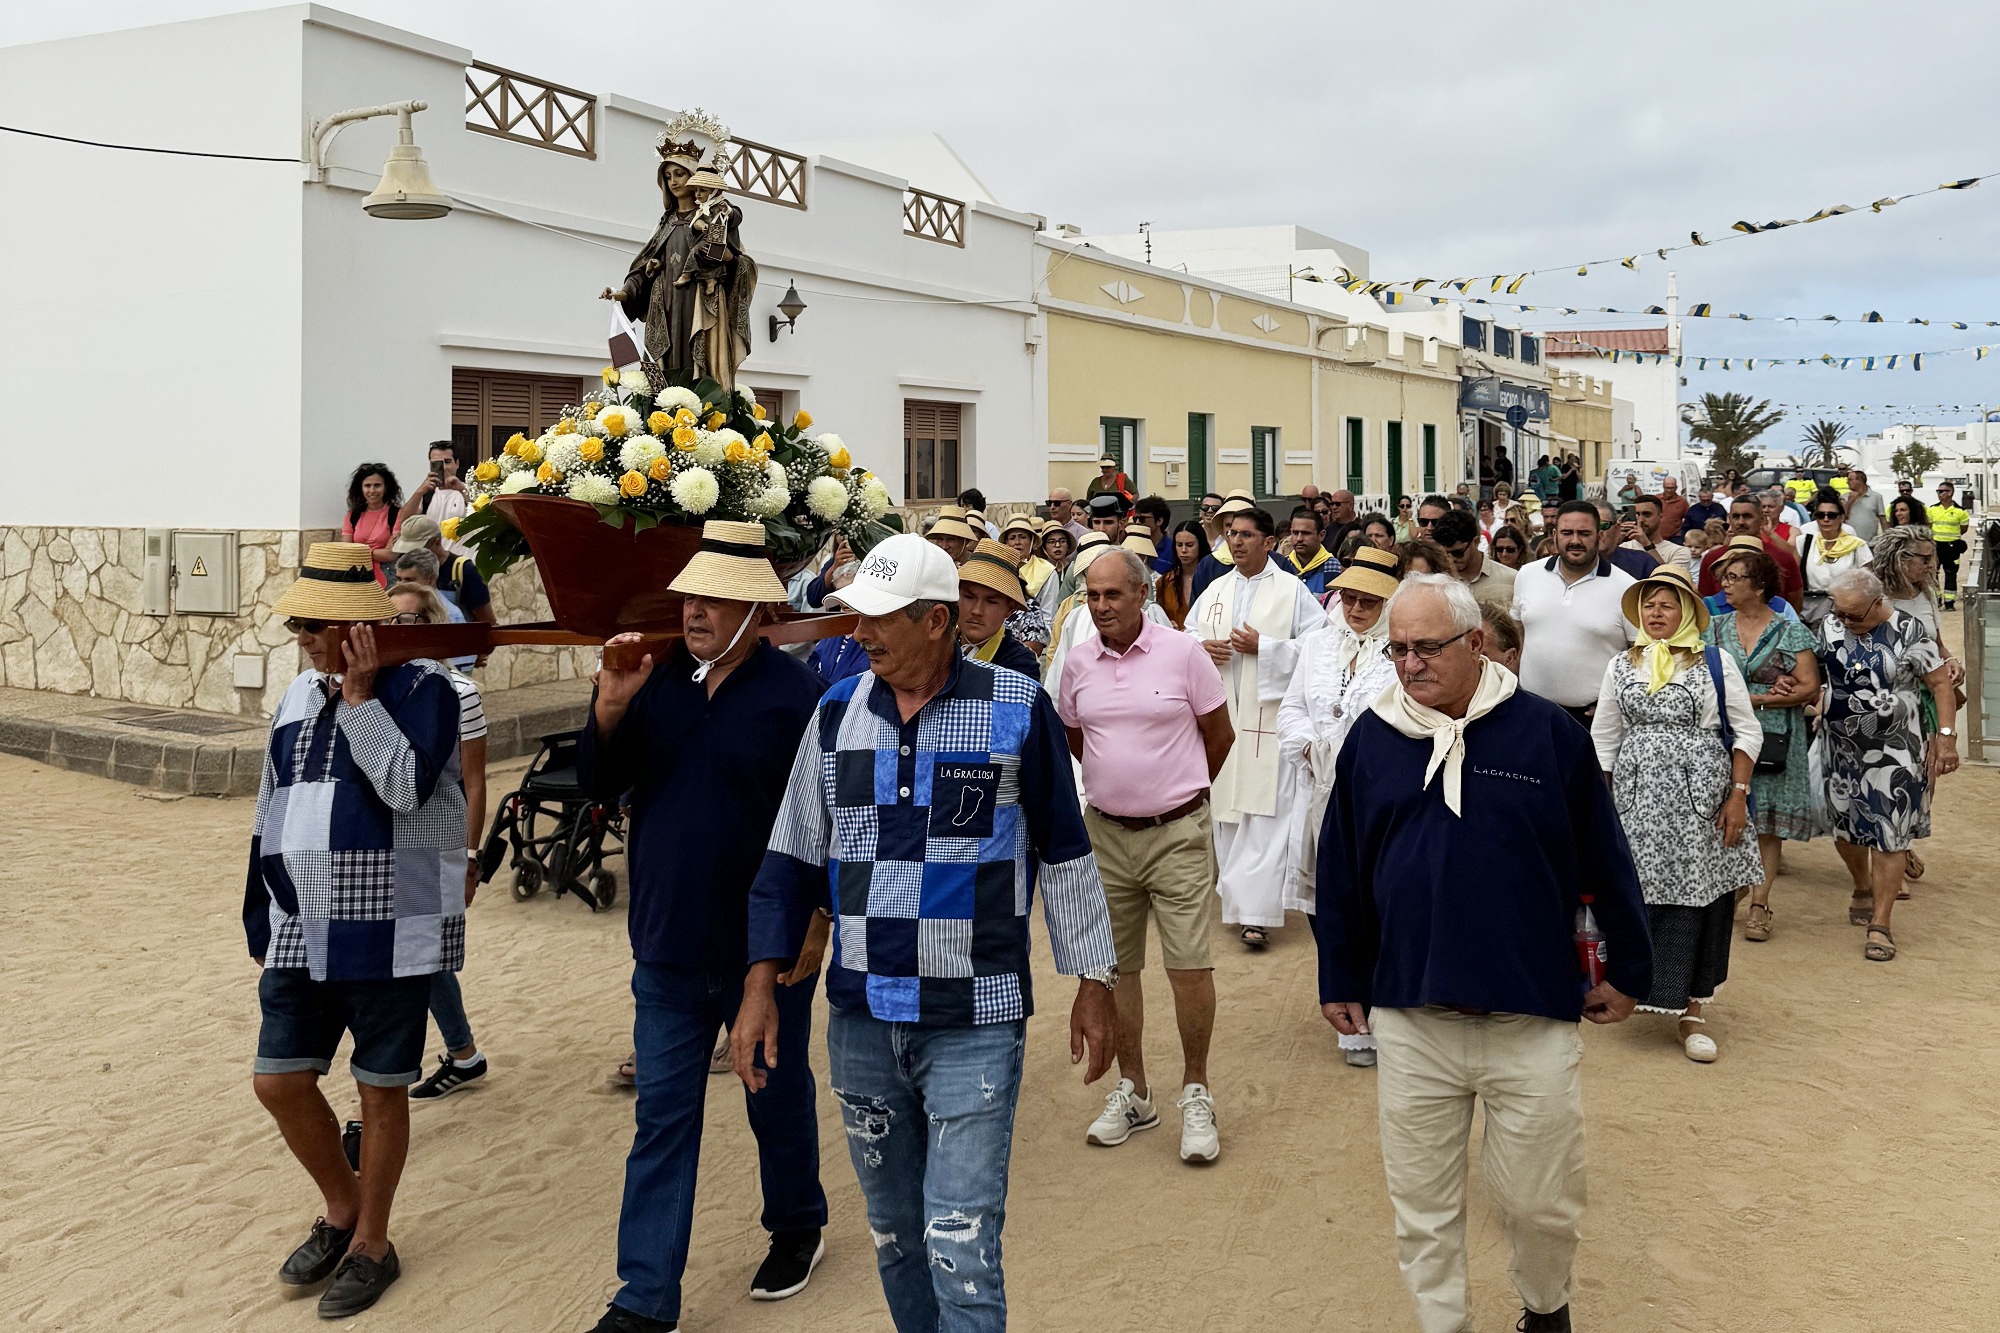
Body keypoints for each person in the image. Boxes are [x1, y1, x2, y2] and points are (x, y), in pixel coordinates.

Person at [734, 533, 1118, 1333]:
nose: (861, 633)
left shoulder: (1016, 707)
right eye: (856, 616)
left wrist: (1094, 979)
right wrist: (760, 984)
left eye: (880, 618)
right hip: (862, 1019)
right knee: (898, 1238)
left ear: (938, 621)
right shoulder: (835, 714)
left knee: (961, 1241)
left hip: (976, 1015)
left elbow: (1067, 847)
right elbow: (792, 853)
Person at [1314, 574, 1649, 1333]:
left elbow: (1605, 856)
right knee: (1422, 1205)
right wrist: (1339, 969)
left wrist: (1629, 968)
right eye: (1396, 648)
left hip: (1529, 1008)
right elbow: (1339, 864)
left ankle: (1544, 1305)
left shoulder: (1546, 734)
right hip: (1412, 1012)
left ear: (1473, 644)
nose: (1408, 663)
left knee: (1541, 1201)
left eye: (1425, 647)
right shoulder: (1373, 736)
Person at [576, 522, 832, 1333]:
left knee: (775, 1091)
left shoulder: (796, 696)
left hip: (769, 943)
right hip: (666, 935)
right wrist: (609, 711)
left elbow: (826, 817)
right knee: (662, 1113)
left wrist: (817, 918)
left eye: (715, 598)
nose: (694, 610)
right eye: (689, 594)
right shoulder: (652, 681)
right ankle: (645, 1295)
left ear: (756, 608)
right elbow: (599, 782)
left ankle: (796, 1223)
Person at [244, 542, 466, 1318]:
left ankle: (373, 1238)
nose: (302, 633)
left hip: (389, 920)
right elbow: (269, 805)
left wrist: (364, 697)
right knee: (277, 1078)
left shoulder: (429, 688)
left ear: (359, 625)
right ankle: (342, 1205)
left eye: (316, 620)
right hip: (301, 917)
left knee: (380, 1089)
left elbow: (405, 787)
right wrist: (258, 909)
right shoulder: (300, 692)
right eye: (299, 621)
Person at [1060, 550, 1235, 1161]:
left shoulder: (1184, 653)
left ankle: (1196, 1091)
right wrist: (1123, 789)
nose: (1102, 606)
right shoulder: (1078, 662)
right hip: (1105, 836)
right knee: (1118, 968)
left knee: (1189, 966)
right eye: (1093, 596)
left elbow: (1221, 736)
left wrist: (1176, 793)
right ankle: (1134, 1092)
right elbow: (1077, 738)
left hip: (1178, 834)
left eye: (1113, 595)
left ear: (1142, 594)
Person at [1590, 566, 1760, 1063]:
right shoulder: (1622, 664)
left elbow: (1746, 732)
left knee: (1696, 896)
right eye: (1648, 605)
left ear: (1686, 611)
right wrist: (1599, 804)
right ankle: (1624, 989)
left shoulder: (1713, 661)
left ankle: (1691, 1009)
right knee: (1632, 892)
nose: (1655, 612)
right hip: (1637, 799)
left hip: (1698, 800)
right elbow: (1605, 736)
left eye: (1666, 604)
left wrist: (1737, 796)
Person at [1276, 546, 1402, 1067]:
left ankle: (1383, 1006)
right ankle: (1347, 1008)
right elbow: (1291, 706)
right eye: (1349, 597)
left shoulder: (1401, 650)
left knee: (1379, 903)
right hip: (1318, 791)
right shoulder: (1318, 644)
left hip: (1378, 795)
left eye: (1369, 600)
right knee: (1328, 906)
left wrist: (1356, 760)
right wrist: (1308, 746)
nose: (1356, 608)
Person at [1185, 506, 1328, 948]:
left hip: (1267, 721)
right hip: (1224, 717)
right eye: (1231, 534)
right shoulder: (1215, 588)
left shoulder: (1293, 591)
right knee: (1227, 812)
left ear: (1269, 542)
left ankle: (1257, 914)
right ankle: (1237, 900)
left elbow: (1316, 645)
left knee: (1265, 813)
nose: (1237, 541)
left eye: (1247, 534)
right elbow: (1186, 634)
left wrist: (1265, 648)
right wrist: (1201, 646)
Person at [384, 583, 493, 1102]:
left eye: (411, 622)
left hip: (433, 843)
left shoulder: (459, 691)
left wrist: (472, 857)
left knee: (420, 956)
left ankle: (457, 1053)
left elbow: (474, 781)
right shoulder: (378, 688)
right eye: (392, 622)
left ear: (432, 626)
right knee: (416, 956)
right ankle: (463, 1053)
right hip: (383, 843)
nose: (400, 632)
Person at [1819, 569, 1959, 963]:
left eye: (1854, 615)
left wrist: (1946, 737)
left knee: (1890, 830)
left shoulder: (1910, 631)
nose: (1845, 622)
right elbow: (1814, 672)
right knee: (1845, 824)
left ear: (1879, 603)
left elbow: (1939, 685)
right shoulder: (1830, 625)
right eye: (1840, 613)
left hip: (1897, 749)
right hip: (1840, 745)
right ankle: (1861, 885)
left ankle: (1881, 921)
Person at [1705, 548, 1821, 944]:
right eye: (1726, 577)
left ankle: (1760, 903)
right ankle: (1729, 891)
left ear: (1759, 586)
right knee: (1724, 813)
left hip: (1775, 735)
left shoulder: (1791, 631)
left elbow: (1809, 687)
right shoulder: (1713, 628)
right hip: (1724, 734)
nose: (1726, 584)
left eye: (1735, 577)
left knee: (1768, 824)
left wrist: (1761, 700)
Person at [1512, 501, 1636, 726]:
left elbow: (1641, 654)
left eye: (1584, 533)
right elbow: (1517, 634)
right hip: (1530, 713)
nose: (1575, 541)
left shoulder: (1627, 588)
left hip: (1592, 720)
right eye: (1567, 533)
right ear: (1554, 535)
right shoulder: (1527, 575)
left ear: (1599, 536)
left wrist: (1617, 701)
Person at [957, 539, 1042, 679]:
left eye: (991, 602)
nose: (977, 611)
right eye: (969, 597)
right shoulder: (938, 649)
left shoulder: (1021, 665)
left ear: (1010, 609)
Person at [1697, 496, 1804, 607]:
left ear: (1762, 520)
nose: (1741, 522)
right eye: (1736, 517)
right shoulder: (1712, 558)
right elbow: (1705, 602)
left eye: (1747, 516)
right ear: (1729, 519)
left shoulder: (1783, 558)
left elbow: (1795, 604)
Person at [1795, 488, 1871, 627]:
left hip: (1845, 612)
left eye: (1831, 515)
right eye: (1820, 515)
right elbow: (1793, 578)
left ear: (1841, 517)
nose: (1825, 519)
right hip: (1810, 612)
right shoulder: (1804, 542)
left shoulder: (1857, 546)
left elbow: (1867, 582)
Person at [1433, 508, 1514, 618]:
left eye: (1458, 552)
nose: (1451, 559)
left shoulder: (1511, 579)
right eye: (1446, 554)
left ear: (1475, 542)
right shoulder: (1436, 582)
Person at [397, 441, 472, 557]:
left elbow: (482, 512)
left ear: (456, 463)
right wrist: (420, 492)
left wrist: (461, 490)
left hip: (462, 562)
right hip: (432, 564)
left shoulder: (468, 491)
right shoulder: (426, 495)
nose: (443, 467)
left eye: (447, 462)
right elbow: (405, 522)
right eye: (437, 463)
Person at [808, 560, 872, 688]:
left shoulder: (874, 632)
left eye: (851, 591)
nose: (844, 599)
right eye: (840, 591)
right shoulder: (833, 630)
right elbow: (812, 668)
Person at [341, 463, 404, 585]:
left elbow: (391, 554)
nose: (372, 490)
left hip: (387, 577)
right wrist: (378, 551)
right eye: (367, 486)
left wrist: (359, 549)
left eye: (377, 485)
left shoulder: (396, 514)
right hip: (357, 577)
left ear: (386, 487)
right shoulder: (353, 515)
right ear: (361, 488)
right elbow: (346, 551)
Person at [1619, 494, 1693, 575]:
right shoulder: (1623, 548)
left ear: (1661, 517)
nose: (1641, 520)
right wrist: (1614, 539)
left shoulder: (1678, 552)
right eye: (1637, 515)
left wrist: (1647, 545)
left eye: (1647, 514)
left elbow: (1670, 579)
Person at [1927, 481, 1971, 608]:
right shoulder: (1932, 509)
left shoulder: (1960, 511)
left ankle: (1949, 602)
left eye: (1942, 491)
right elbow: (1929, 526)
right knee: (1932, 573)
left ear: (1950, 492)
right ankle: (1936, 598)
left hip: (1952, 547)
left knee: (1951, 574)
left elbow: (1964, 528)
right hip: (1936, 546)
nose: (1939, 494)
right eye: (1938, 491)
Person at [1281, 506, 1340, 598]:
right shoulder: (1283, 564)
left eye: (1306, 533)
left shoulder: (1332, 566)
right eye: (1295, 533)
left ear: (1321, 535)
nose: (1299, 539)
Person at [1159, 519, 1206, 629]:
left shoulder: (1213, 579)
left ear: (1200, 545)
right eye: (1179, 545)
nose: (1184, 550)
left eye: (1190, 545)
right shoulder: (1164, 582)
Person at [999, 515, 1054, 600]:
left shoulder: (1047, 570)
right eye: (1012, 538)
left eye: (1022, 537)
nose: (1017, 542)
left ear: (1032, 542)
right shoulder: (998, 568)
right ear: (1006, 543)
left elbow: (1049, 611)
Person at [1845, 468, 1888, 541]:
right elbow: (1841, 518)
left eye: (1850, 480)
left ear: (1860, 480)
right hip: (1848, 543)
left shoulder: (1876, 497)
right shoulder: (1844, 497)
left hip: (1869, 543)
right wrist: (1849, 502)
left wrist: (1887, 537)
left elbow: (1882, 519)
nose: (1847, 482)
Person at [1324, 488, 1360, 554]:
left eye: (1338, 504)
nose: (1334, 507)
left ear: (1350, 505)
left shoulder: (1361, 527)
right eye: (1332, 504)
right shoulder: (1328, 530)